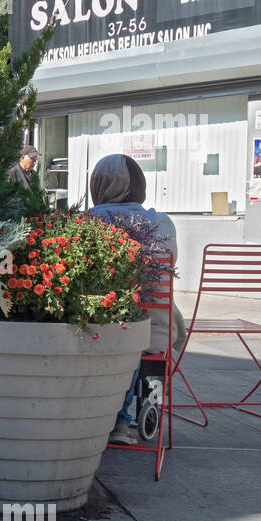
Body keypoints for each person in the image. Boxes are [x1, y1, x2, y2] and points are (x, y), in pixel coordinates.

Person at [87, 153, 185, 446]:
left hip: (111, 327)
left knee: (123, 329)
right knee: (151, 329)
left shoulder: (95, 219)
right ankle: (152, 398)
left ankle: (117, 420)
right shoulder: (162, 222)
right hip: (160, 328)